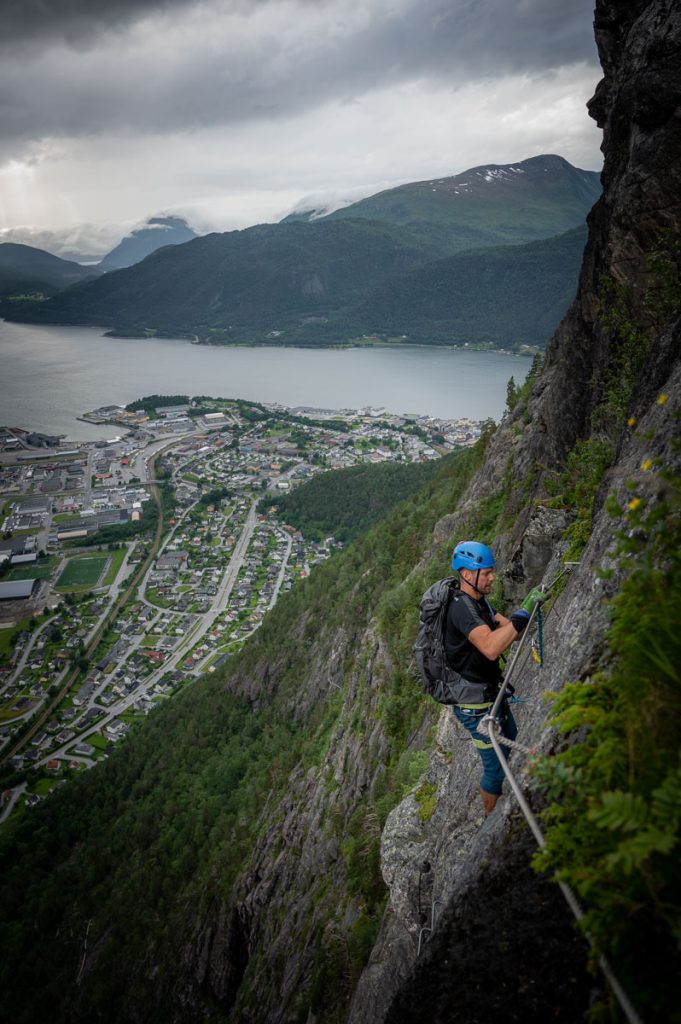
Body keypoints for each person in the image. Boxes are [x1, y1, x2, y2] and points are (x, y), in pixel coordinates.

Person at [445, 540, 543, 815]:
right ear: (467, 575)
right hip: (474, 707)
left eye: (491, 571)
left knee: (510, 735)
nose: (492, 577)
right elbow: (490, 647)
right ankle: (491, 821)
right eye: (486, 573)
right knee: (494, 768)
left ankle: (505, 796)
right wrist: (519, 620)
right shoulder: (461, 609)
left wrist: (528, 609)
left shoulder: (480, 603)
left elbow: (513, 631)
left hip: (489, 693)